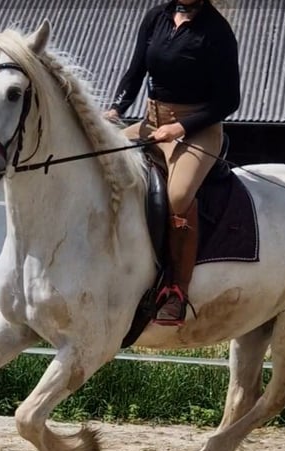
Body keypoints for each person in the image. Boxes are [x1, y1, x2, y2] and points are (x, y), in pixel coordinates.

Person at [105, 0, 240, 325]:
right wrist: (114, 111)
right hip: (151, 124)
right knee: (103, 164)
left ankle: (177, 289)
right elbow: (135, 71)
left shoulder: (217, 31)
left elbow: (228, 100)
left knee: (178, 196)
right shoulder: (157, 17)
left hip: (197, 131)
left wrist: (180, 128)